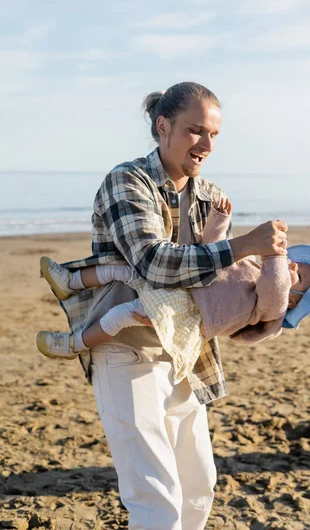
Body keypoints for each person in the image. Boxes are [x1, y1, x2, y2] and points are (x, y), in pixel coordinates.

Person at [39, 82, 290, 530]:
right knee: (155, 499)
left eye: (214, 134)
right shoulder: (126, 180)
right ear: (163, 126)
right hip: (125, 348)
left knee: (198, 489)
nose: (207, 145)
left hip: (184, 354)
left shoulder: (210, 194)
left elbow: (219, 284)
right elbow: (153, 262)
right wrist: (241, 245)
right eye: (196, 131)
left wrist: (268, 299)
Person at [37, 198, 310, 385]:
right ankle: (70, 283)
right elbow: (215, 251)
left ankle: (74, 343)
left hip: (188, 316)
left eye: (301, 274)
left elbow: (275, 285)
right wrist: (219, 219)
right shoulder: (254, 265)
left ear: (296, 300)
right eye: (294, 260)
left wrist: (277, 258)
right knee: (126, 270)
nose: (293, 264)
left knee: (123, 313)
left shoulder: (273, 307)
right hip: (184, 286)